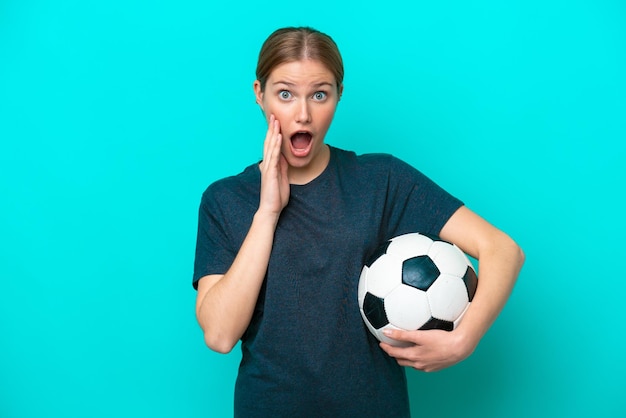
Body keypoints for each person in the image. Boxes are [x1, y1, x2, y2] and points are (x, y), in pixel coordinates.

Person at [193, 26, 525, 418]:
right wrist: (267, 212)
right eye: (285, 94)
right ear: (259, 95)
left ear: (338, 96)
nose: (303, 113)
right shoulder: (226, 199)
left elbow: (503, 250)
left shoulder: (379, 180)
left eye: (320, 94)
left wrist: (464, 340)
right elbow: (219, 334)